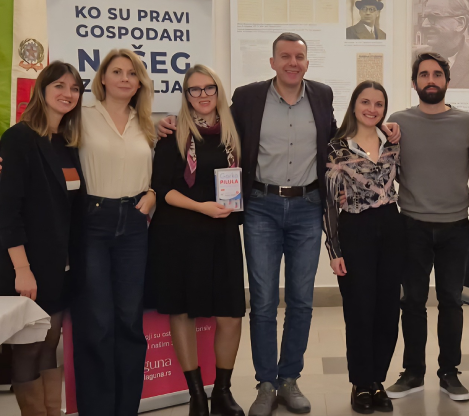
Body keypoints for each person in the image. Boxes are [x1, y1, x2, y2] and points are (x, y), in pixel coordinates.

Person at [157, 32, 400, 416]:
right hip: (262, 208)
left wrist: (386, 128)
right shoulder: (249, 97)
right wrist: (170, 122)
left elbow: (338, 139)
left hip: (307, 207)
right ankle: (266, 384)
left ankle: (289, 379)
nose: (292, 63)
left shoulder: (321, 95)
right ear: (272, 62)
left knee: (301, 301)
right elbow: (213, 121)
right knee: (264, 302)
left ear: (307, 63)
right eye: (284, 56)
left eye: (298, 57)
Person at [149, 65, 245, 416]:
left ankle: (221, 391)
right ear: (186, 95)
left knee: (231, 314)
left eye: (209, 88)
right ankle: (196, 396)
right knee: (183, 311)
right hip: (179, 235)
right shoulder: (173, 134)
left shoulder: (233, 133)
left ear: (218, 91)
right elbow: (162, 188)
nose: (203, 95)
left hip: (222, 234)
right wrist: (201, 207)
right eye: (195, 89)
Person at [384, 52, 469, 402]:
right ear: (414, 83)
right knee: (413, 302)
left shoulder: (467, 123)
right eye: (423, 74)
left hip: (455, 226)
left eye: (437, 74)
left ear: (448, 81)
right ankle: (413, 372)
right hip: (412, 225)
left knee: (452, 301)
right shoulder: (398, 122)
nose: (431, 80)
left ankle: (449, 372)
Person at [71, 48, 157, 416]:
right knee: (97, 323)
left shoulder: (147, 123)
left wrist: (153, 193)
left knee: (130, 322)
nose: (125, 78)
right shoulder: (81, 116)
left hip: (134, 224)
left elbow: (156, 172)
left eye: (132, 73)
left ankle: (126, 409)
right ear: (102, 78)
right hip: (93, 221)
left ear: (139, 83)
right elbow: (43, 147)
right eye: (117, 71)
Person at [0, 61, 86, 416]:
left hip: (59, 266)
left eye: (75, 88)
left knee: (50, 344)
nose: (68, 94)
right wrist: (22, 269)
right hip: (28, 266)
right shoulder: (19, 138)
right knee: (28, 351)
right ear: (42, 90)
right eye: (59, 86)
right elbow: (8, 210)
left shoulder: (67, 142)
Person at [325, 81, 403, 414]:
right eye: (365, 102)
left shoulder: (393, 143)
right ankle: (360, 383)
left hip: (391, 227)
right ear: (354, 105)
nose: (372, 109)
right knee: (360, 310)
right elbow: (329, 203)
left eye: (378, 104)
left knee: (388, 310)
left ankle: (376, 381)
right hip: (355, 229)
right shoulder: (337, 148)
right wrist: (334, 250)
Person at [415, 0, 469, 89]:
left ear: (460, 23)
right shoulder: (414, 58)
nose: (424, 25)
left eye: (433, 17)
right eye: (425, 17)